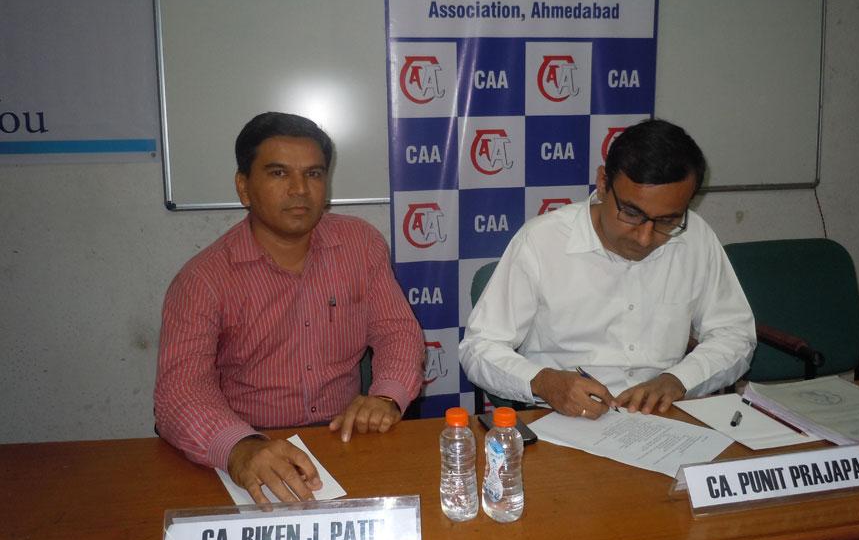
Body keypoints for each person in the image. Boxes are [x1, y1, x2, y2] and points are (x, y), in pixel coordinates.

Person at [154, 112, 424, 503]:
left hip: (344, 438)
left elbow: (396, 331)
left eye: (313, 174)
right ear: (244, 187)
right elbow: (180, 390)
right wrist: (239, 447)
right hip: (252, 445)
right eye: (279, 173)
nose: (300, 189)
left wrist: (385, 398)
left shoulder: (361, 245)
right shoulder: (203, 280)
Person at [459, 119, 755, 419]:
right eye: (632, 213)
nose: (645, 238)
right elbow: (479, 347)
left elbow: (735, 334)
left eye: (667, 221)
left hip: (664, 418)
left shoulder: (695, 237)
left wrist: (679, 380)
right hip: (565, 418)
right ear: (603, 183)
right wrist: (542, 381)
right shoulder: (542, 241)